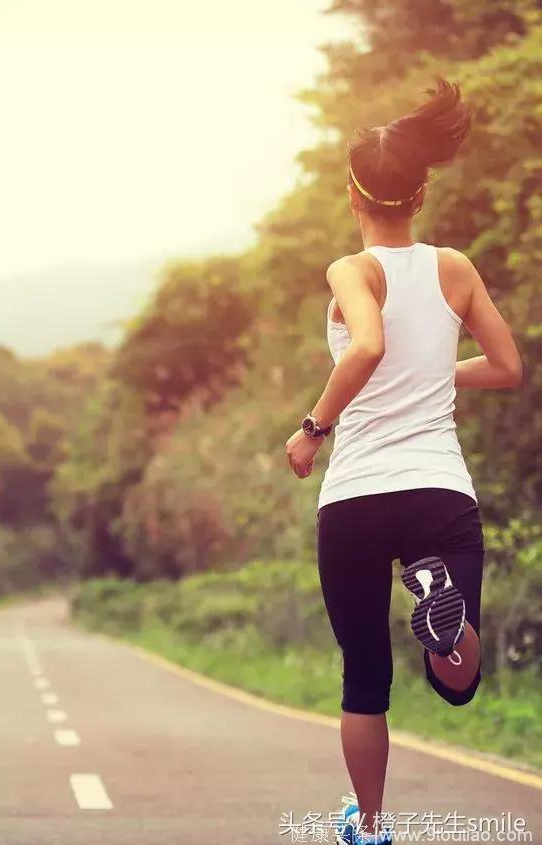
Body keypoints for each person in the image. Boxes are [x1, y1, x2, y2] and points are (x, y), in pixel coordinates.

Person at [285, 78, 523, 845]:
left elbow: (368, 344)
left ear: (352, 198)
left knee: (365, 679)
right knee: (455, 682)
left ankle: (374, 826)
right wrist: (438, 373)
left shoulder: (352, 272)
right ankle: (443, 621)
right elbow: (508, 365)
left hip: (355, 494)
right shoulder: (454, 266)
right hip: (437, 490)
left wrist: (313, 428)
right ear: (418, 196)